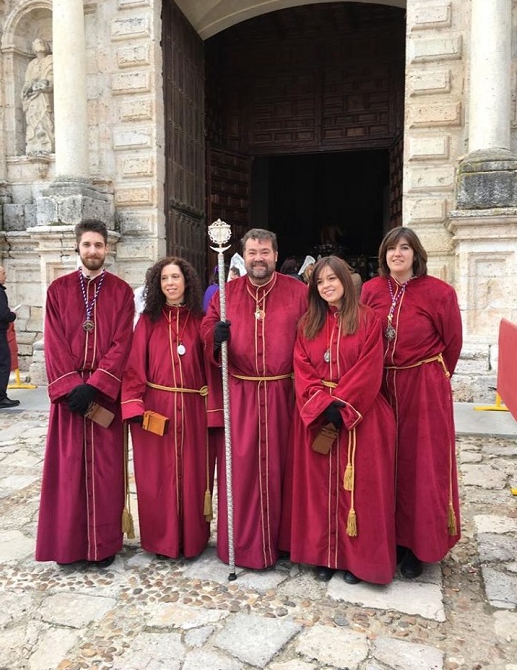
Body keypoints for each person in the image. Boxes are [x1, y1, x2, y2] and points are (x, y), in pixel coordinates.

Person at [284, 256, 396, 584]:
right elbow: (301, 366)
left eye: (333, 279)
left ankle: (357, 561)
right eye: (320, 282)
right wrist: (321, 402)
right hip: (320, 417)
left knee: (360, 490)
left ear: (346, 281)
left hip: (361, 416)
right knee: (319, 489)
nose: (327, 286)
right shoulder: (307, 324)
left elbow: (370, 366)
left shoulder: (368, 320)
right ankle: (325, 555)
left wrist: (342, 404)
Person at [201, 228, 308, 569]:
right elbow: (205, 328)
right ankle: (244, 546)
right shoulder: (226, 295)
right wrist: (213, 335)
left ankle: (287, 542)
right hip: (241, 394)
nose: (258, 258)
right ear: (242, 256)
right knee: (243, 472)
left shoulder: (299, 292)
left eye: (264, 252)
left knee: (286, 469)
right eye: (252, 252)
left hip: (285, 393)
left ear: (276, 255)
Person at [361, 226, 463, 579]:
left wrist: (430, 378)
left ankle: (417, 546)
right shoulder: (371, 291)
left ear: (416, 254)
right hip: (381, 386)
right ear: (383, 254)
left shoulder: (439, 292)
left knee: (420, 466)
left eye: (405, 248)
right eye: (391, 248)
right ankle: (388, 538)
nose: (397, 254)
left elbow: (452, 345)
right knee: (383, 463)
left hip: (422, 386)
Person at [36, 219, 134, 567]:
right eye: (87, 245)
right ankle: (68, 545)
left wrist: (96, 385)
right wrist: (70, 386)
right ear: (77, 247)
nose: (93, 251)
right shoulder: (58, 290)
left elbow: (123, 343)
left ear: (108, 249)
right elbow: (54, 342)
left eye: (99, 245)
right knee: (68, 470)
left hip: (104, 396)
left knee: (106, 473)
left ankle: (102, 546)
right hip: (69, 398)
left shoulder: (122, 292)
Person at [121, 257, 214, 559]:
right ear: (157, 285)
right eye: (164, 279)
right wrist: (133, 404)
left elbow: (213, 365)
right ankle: (161, 541)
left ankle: (192, 540)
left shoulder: (201, 319)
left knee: (193, 476)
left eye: (176, 277)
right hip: (156, 409)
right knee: (156, 477)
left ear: (187, 280)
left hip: (193, 408)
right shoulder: (148, 321)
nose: (170, 283)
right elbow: (135, 365)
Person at [21, 38, 54, 155]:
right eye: (36, 42)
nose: (40, 44)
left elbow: (51, 80)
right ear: (33, 47)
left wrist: (43, 85)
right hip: (33, 99)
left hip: (45, 97)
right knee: (33, 120)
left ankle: (47, 144)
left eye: (42, 42)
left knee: (45, 119)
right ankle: (34, 144)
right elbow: (27, 82)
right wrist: (28, 89)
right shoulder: (32, 64)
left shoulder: (50, 60)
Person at [0, 266, 19, 409]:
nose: (6, 276)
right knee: (3, 364)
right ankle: (0, 398)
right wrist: (13, 315)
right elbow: (3, 315)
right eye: (3, 273)